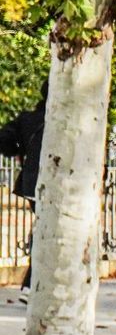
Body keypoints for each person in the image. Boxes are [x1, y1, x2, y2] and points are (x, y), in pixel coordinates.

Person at [0, 85, 46, 298]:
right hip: (56, 185)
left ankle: (34, 283)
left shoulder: (29, 119)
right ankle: (31, 284)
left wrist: (21, 151)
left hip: (32, 183)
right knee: (47, 231)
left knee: (44, 228)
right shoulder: (69, 119)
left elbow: (5, 140)